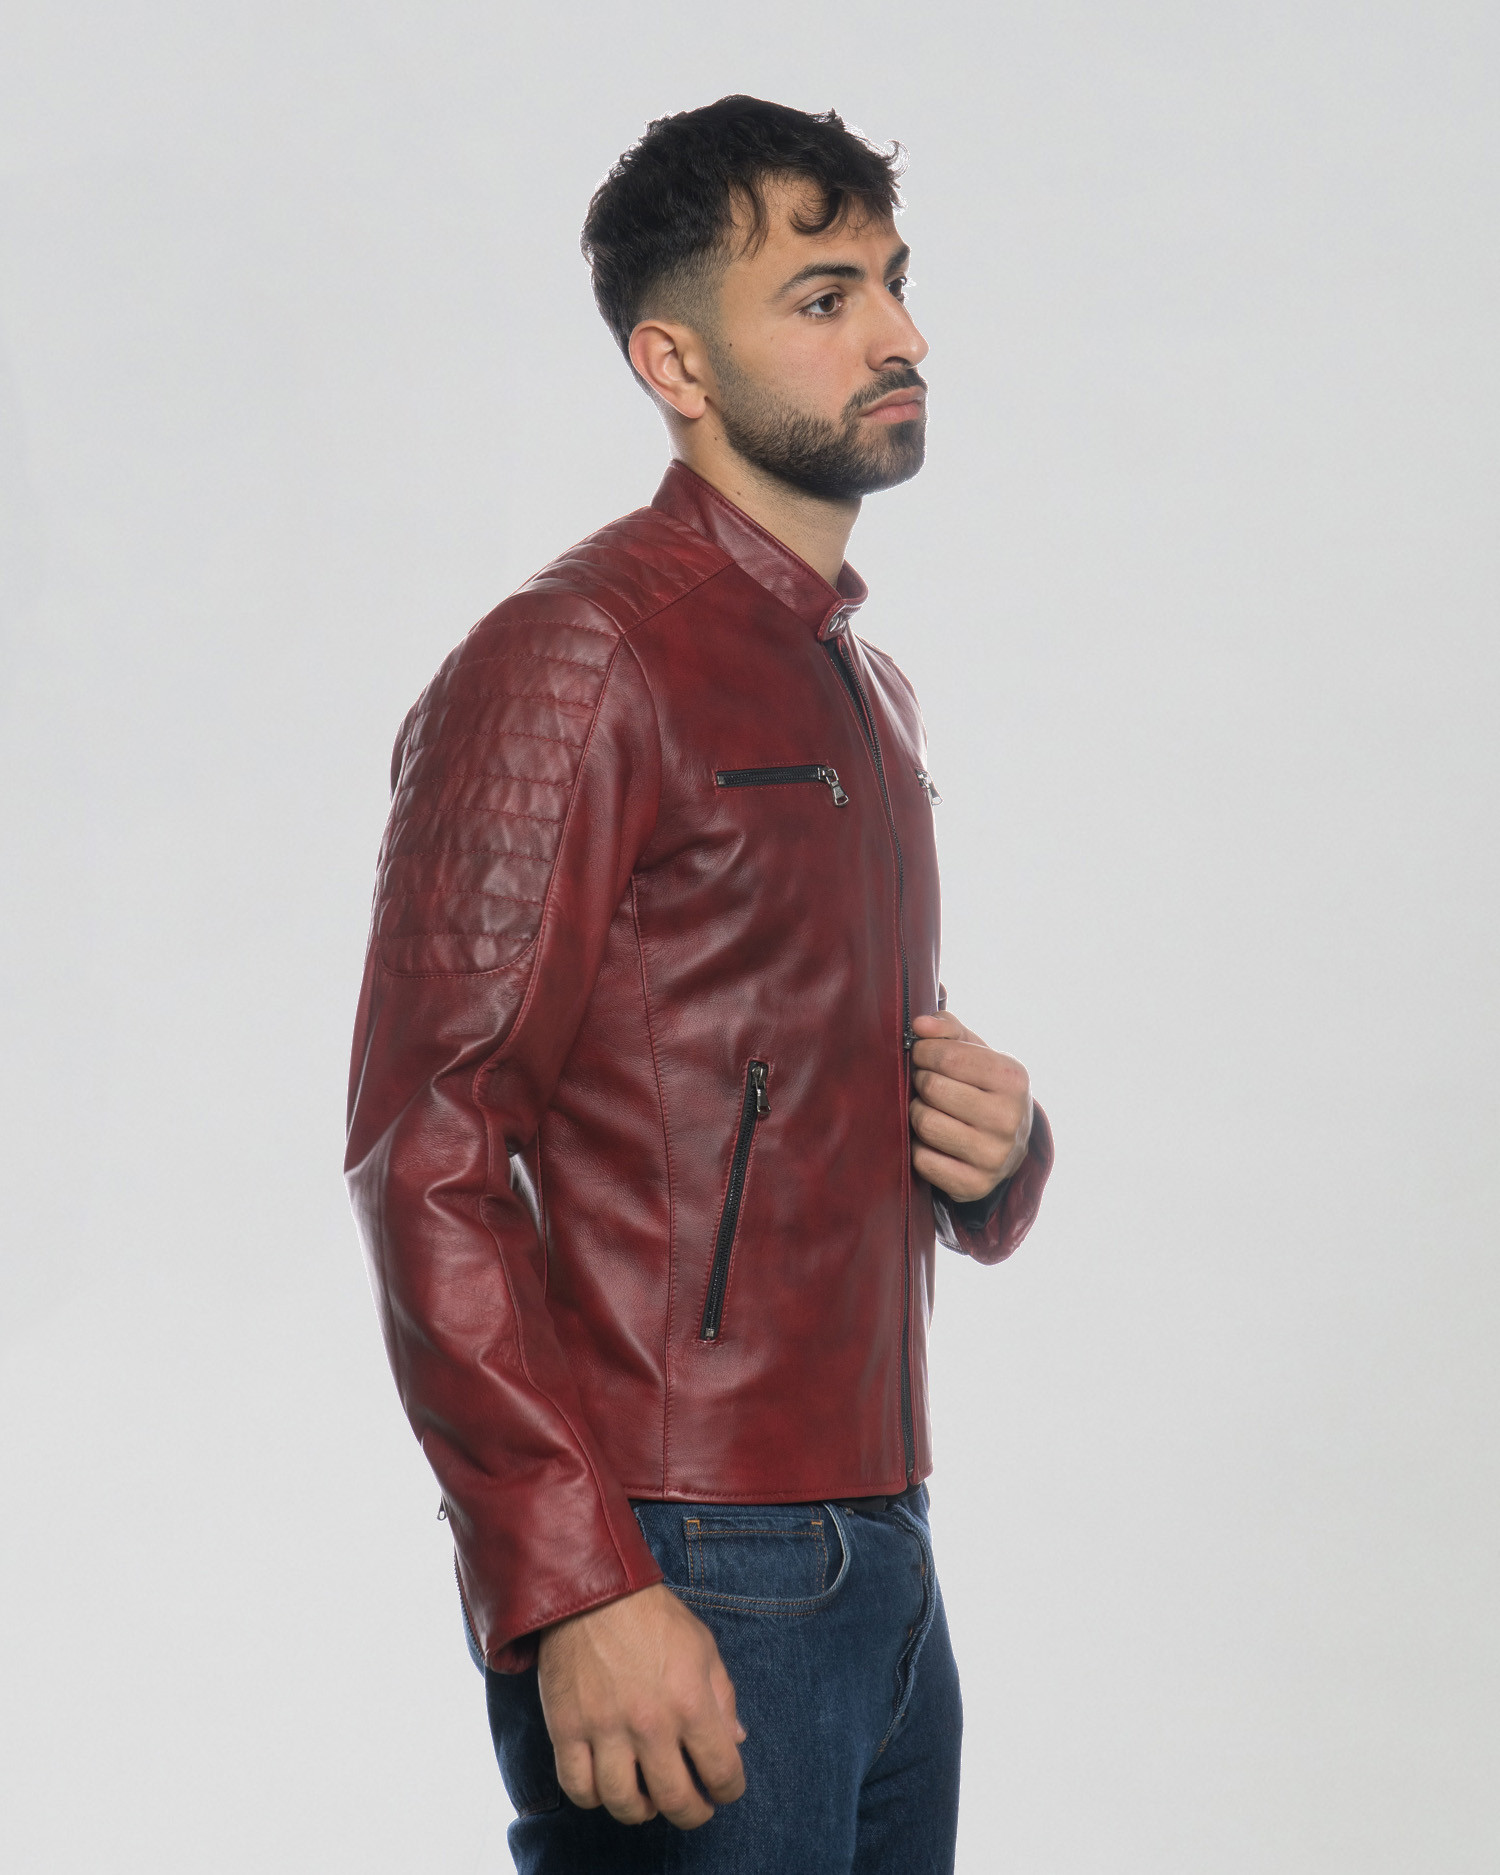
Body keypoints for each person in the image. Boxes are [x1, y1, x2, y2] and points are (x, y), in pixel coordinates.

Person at [344, 94, 1054, 1874]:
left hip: (881, 1551)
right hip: (683, 1551)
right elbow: (429, 1147)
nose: (898, 335)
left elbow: (770, 1095)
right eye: (823, 298)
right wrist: (573, 1580)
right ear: (672, 363)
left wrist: (1001, 1156)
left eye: (892, 282)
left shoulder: (858, 685)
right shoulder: (578, 657)